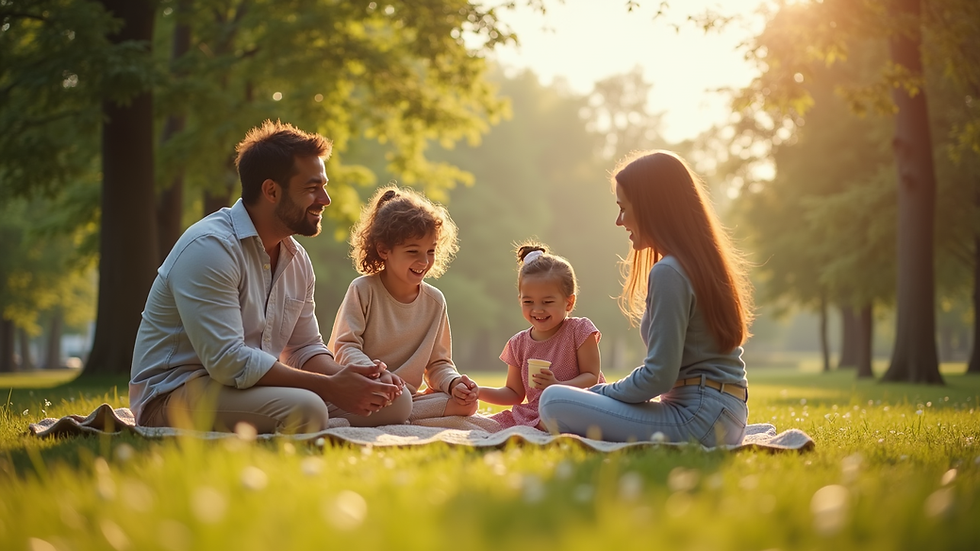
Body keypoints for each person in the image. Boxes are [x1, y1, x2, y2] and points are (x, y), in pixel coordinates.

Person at [130, 120, 405, 434]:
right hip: (176, 393)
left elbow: (304, 349)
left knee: (395, 401)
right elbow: (228, 361)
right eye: (312, 188)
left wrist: (351, 376)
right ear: (271, 191)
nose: (325, 199)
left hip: (250, 387)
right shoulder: (209, 248)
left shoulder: (297, 259)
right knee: (308, 408)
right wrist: (330, 387)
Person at [538, 150, 753, 446]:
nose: (618, 220)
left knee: (553, 401)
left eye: (624, 208)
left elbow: (658, 377)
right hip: (725, 415)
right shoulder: (696, 263)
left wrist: (593, 395)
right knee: (564, 400)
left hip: (699, 418)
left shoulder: (669, 271)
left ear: (653, 208)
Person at [327, 184, 479, 423]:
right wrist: (379, 375)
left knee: (467, 405)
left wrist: (454, 383)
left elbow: (438, 363)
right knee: (400, 400)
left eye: (431, 251)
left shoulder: (435, 302)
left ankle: (399, 413)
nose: (424, 260)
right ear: (384, 250)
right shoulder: (362, 289)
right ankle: (392, 412)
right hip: (364, 387)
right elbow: (344, 348)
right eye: (413, 251)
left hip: (405, 396)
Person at [478, 243, 604, 430]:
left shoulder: (579, 330)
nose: (537, 309)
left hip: (581, 403)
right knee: (493, 424)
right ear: (519, 299)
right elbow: (513, 393)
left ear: (569, 302)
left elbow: (591, 377)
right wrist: (478, 391)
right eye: (528, 302)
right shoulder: (518, 344)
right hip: (540, 410)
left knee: (559, 414)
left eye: (547, 302)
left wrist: (558, 386)